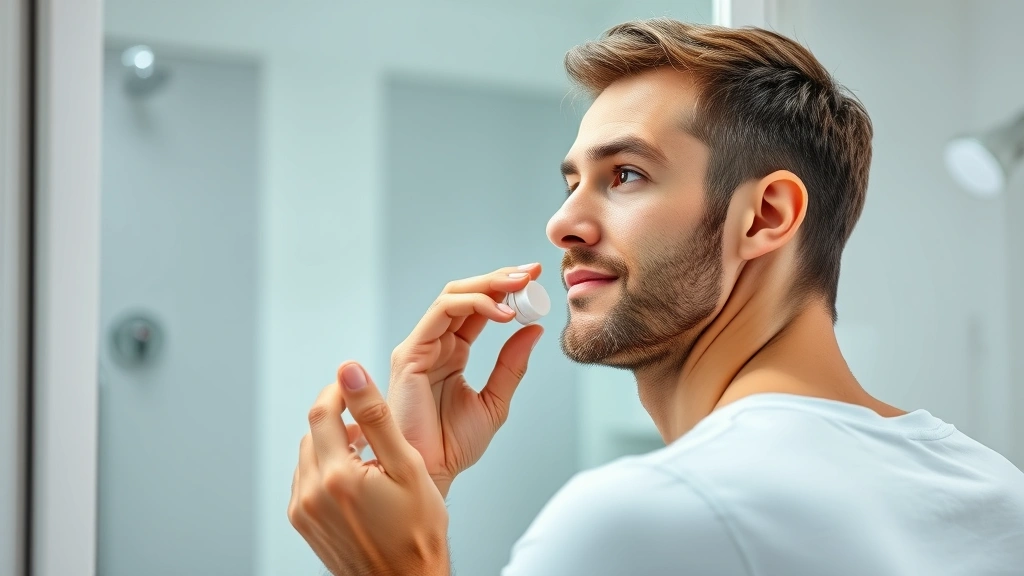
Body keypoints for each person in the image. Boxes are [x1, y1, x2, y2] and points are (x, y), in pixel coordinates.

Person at [286, 18, 1024, 576]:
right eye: (571, 181)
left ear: (765, 216)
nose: (562, 223)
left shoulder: (641, 518)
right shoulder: (994, 490)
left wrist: (399, 568)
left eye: (626, 175)